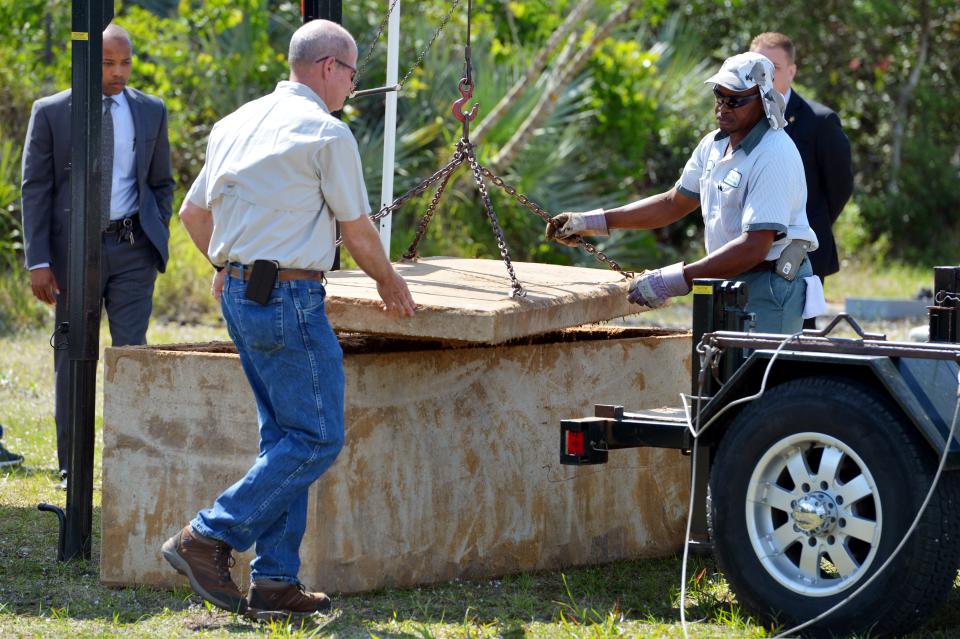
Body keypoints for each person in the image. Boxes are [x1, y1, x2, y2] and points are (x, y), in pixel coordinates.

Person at [162, 19, 416, 621]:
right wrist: (389, 279)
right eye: (353, 77)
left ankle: (275, 581)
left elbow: (193, 213)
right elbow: (356, 230)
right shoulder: (328, 133)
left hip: (242, 296)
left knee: (283, 437)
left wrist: (226, 264)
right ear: (330, 67)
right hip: (291, 301)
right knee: (317, 437)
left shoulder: (233, 124)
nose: (352, 89)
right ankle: (206, 534)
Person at [547, 52, 822, 335]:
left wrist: (676, 279)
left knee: (756, 376)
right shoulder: (713, 146)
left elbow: (755, 246)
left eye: (735, 100)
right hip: (725, 279)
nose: (723, 107)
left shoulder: (773, 153)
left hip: (769, 287)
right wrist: (590, 222)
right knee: (718, 373)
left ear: (763, 100)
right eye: (719, 96)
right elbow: (672, 203)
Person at [21, 24, 174, 488]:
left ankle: (131, 461)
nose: (118, 72)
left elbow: (162, 182)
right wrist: (38, 260)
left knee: (132, 355)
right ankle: (72, 467)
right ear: (88, 61)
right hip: (72, 255)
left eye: (125, 62)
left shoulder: (150, 110)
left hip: (132, 251)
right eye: (108, 63)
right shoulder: (52, 112)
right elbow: (36, 189)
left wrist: (155, 231)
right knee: (72, 355)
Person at [750, 32, 853, 329]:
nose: (764, 75)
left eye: (774, 67)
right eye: (757, 67)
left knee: (797, 336)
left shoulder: (819, 121)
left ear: (792, 71)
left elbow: (840, 186)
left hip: (800, 250)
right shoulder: (740, 117)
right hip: (749, 248)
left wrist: (807, 222)